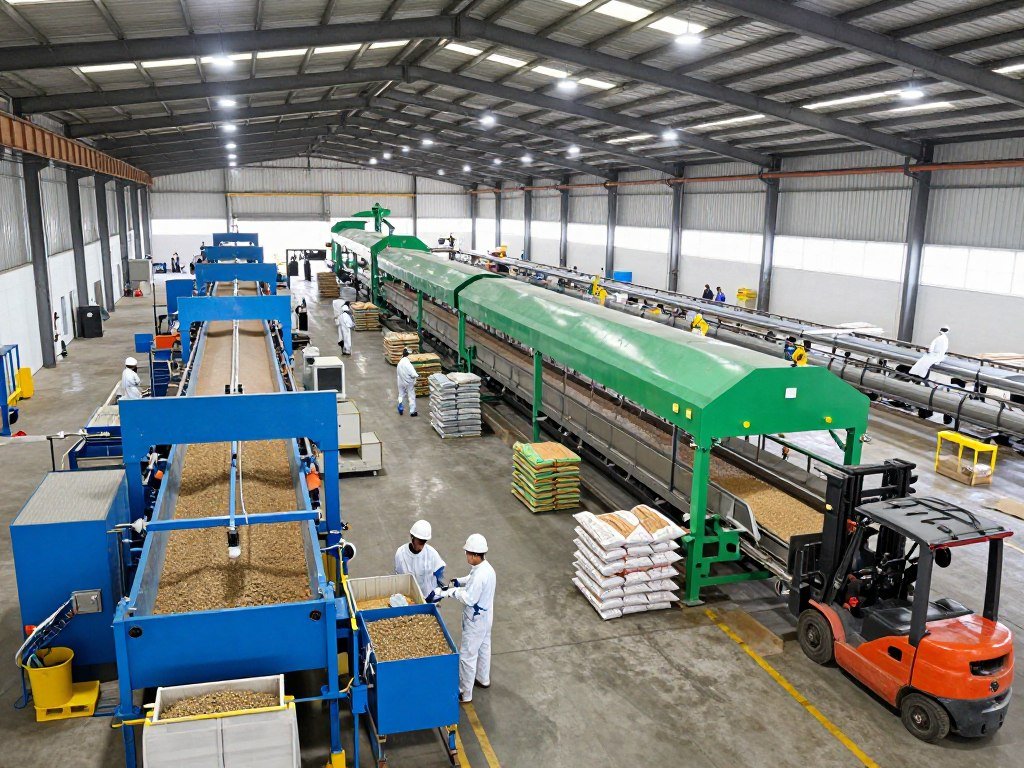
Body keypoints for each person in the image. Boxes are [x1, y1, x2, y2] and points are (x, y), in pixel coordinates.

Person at [433, 534, 495, 703]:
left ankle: (464, 693)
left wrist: (448, 592)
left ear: (475, 555)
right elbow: (471, 579)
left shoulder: (481, 574)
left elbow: (469, 598)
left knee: (468, 656)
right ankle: (483, 678)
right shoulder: (486, 569)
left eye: (467, 553)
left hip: (475, 622)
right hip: (485, 619)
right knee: (483, 648)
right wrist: (458, 582)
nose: (466, 555)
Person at [397, 520, 447, 601]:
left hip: (428, 597)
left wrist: (438, 592)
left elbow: (440, 573)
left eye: (423, 543)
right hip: (410, 599)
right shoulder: (401, 553)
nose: (421, 547)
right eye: (419, 542)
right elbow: (399, 577)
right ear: (412, 537)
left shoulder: (431, 554)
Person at [396, 348, 418, 416]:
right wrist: (417, 375)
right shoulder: (408, 363)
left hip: (400, 380)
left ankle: (400, 407)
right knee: (411, 395)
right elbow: (413, 374)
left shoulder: (400, 362)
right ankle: (412, 411)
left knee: (401, 394)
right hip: (408, 382)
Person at [302, 443, 322, 510]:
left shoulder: (314, 464)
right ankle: (314, 506)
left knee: (314, 495)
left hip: (312, 484)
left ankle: (315, 506)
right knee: (313, 495)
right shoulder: (311, 463)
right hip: (312, 484)